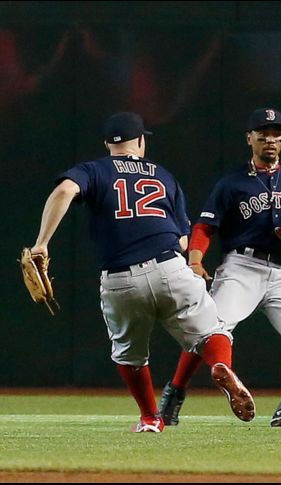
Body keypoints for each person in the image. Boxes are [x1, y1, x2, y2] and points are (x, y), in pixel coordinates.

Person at [28, 112, 255, 433]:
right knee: (212, 333)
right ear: (141, 141)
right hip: (169, 267)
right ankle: (220, 365)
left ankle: (151, 418)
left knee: (129, 355)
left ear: (109, 144)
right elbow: (181, 239)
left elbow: (65, 191)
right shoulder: (163, 176)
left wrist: (41, 244)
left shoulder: (95, 169)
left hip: (121, 279)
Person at [159, 107, 281, 427]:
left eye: (276, 134)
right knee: (210, 329)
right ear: (250, 139)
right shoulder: (231, 182)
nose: (270, 140)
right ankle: (176, 391)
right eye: (263, 134)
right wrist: (195, 260)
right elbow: (206, 226)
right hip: (242, 266)